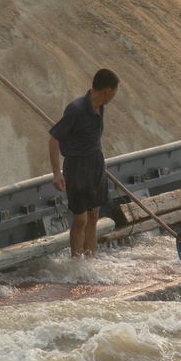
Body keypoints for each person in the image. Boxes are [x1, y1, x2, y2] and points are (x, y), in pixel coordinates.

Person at [48, 68, 119, 258]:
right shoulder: (76, 109)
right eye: (114, 92)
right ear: (107, 91)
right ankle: (77, 262)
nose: (114, 97)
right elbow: (54, 139)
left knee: (94, 215)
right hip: (77, 167)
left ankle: (90, 259)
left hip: (96, 163)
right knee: (80, 219)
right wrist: (57, 173)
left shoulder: (100, 106)